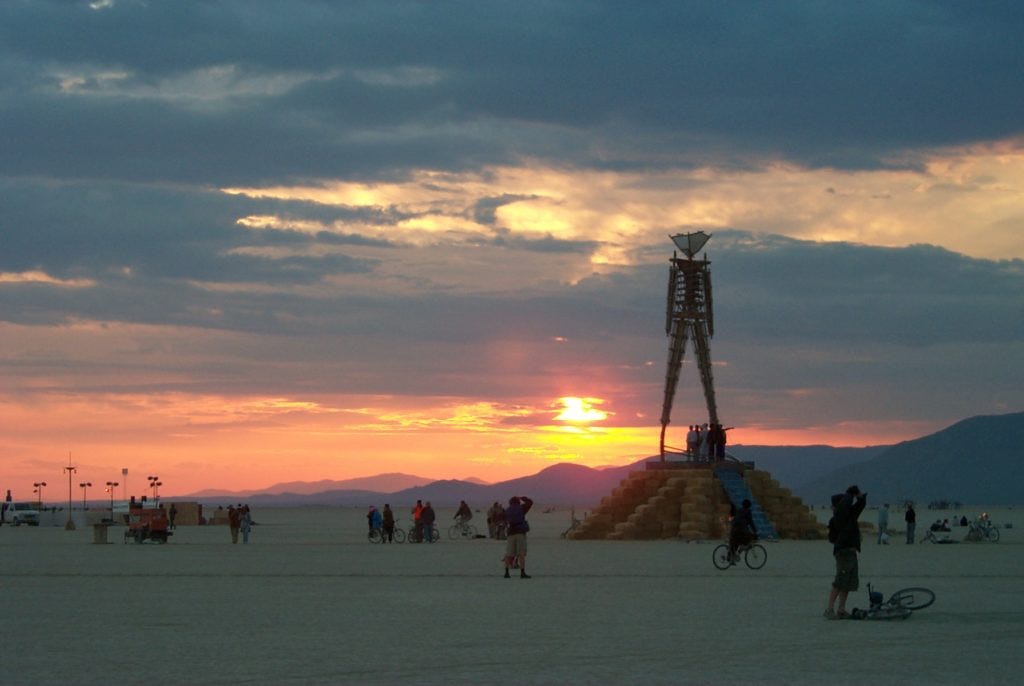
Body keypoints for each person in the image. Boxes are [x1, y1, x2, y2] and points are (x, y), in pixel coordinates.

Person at [825, 485, 867, 619]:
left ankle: (841, 609)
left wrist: (860, 497)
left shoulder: (850, 516)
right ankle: (829, 609)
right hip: (843, 552)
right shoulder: (838, 518)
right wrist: (850, 493)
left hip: (851, 551)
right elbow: (845, 505)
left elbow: (859, 506)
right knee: (840, 581)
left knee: (848, 582)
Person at [503, 495, 534, 578]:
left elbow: (503, 520)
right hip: (520, 532)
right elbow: (530, 502)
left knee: (509, 553)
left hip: (511, 533)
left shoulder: (507, 510)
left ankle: (506, 572)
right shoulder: (521, 508)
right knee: (521, 554)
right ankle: (522, 573)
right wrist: (523, 498)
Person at [728, 499, 757, 563]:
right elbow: (751, 523)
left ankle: (731, 557)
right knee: (748, 539)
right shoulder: (748, 512)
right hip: (741, 530)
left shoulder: (739, 510)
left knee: (735, 542)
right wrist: (755, 531)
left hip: (734, 529)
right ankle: (739, 552)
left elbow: (734, 519)